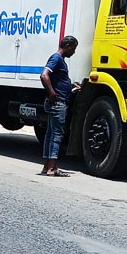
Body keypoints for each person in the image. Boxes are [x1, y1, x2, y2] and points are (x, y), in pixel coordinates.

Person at [38, 35, 80, 177]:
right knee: (56, 135)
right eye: (73, 49)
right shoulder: (56, 58)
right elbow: (44, 75)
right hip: (57, 103)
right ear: (68, 46)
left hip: (57, 102)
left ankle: (47, 167)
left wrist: (70, 85)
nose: (74, 52)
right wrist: (52, 94)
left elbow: (56, 78)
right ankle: (51, 169)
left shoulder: (59, 60)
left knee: (50, 135)